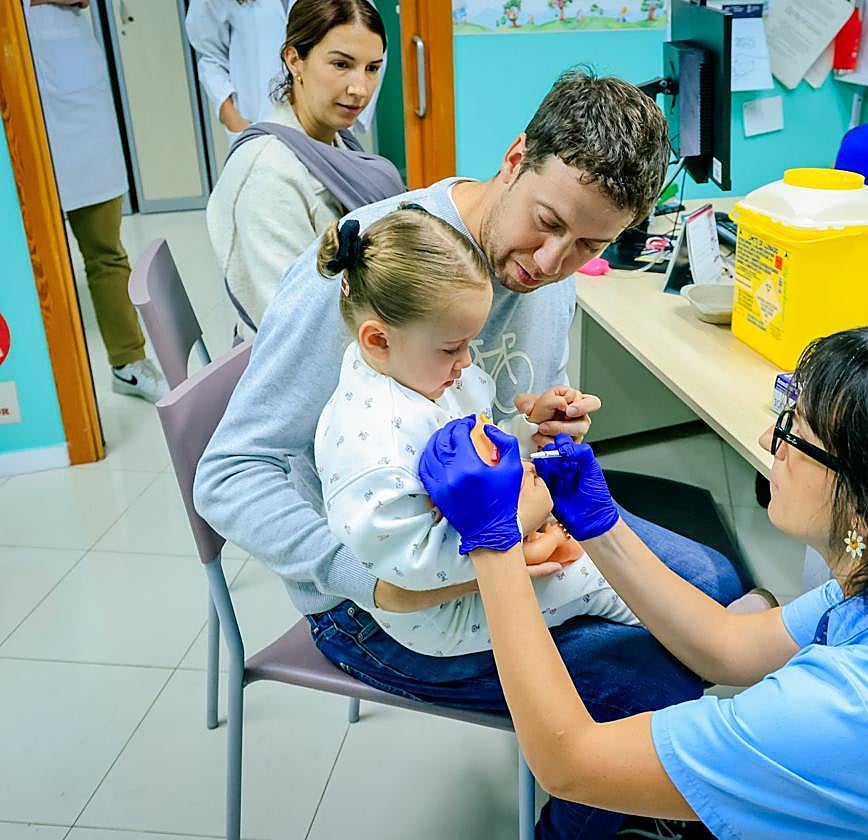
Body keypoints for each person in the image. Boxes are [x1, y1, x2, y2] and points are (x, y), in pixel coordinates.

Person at [194, 68, 746, 838]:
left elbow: (500, 412)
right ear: (516, 156)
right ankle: (587, 818)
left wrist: (545, 429)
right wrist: (377, 587)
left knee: (714, 587)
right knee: (651, 672)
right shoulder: (383, 274)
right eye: (548, 223)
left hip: (495, 531)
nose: (553, 260)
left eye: (589, 243)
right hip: (375, 599)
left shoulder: (551, 269)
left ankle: (620, 791)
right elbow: (226, 476)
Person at [420, 327, 868, 839]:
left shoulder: (850, 713)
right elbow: (726, 647)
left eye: (795, 430)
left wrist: (494, 544)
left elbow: (568, 762)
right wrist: (599, 524)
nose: (767, 443)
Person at [313, 209, 638, 658]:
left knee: (607, 555)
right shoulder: (375, 446)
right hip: (438, 613)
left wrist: (529, 430)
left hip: (479, 551)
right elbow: (413, 570)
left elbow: (482, 449)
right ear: (378, 340)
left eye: (469, 343)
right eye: (452, 348)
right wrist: (528, 519)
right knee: (602, 578)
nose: (467, 361)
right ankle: (706, 649)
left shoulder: (420, 371)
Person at [205, 0, 402, 332]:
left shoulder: (335, 140)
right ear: (294, 59)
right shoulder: (267, 175)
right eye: (341, 64)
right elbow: (295, 325)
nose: (360, 90)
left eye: (372, 68)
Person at [24, 0, 167, 403]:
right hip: (17, 110)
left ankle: (128, 363)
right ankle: (35, 377)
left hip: (76, 105)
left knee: (105, 252)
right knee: (25, 267)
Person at [185, 0, 382, 136]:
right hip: (257, 122)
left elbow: (368, 40)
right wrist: (232, 118)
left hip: (328, 126)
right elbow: (209, 53)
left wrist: (349, 119)